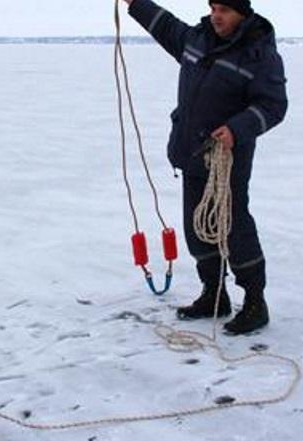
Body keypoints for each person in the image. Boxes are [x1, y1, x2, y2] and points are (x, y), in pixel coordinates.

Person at [122, 0, 288, 334]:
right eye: (213, 8)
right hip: (192, 152)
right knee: (197, 229)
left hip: (227, 160)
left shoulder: (259, 54)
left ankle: (255, 302)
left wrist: (237, 129)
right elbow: (165, 25)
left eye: (224, 10)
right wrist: (134, 2)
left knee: (233, 227)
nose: (216, 16)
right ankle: (214, 295)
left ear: (242, 13)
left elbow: (273, 104)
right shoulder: (196, 40)